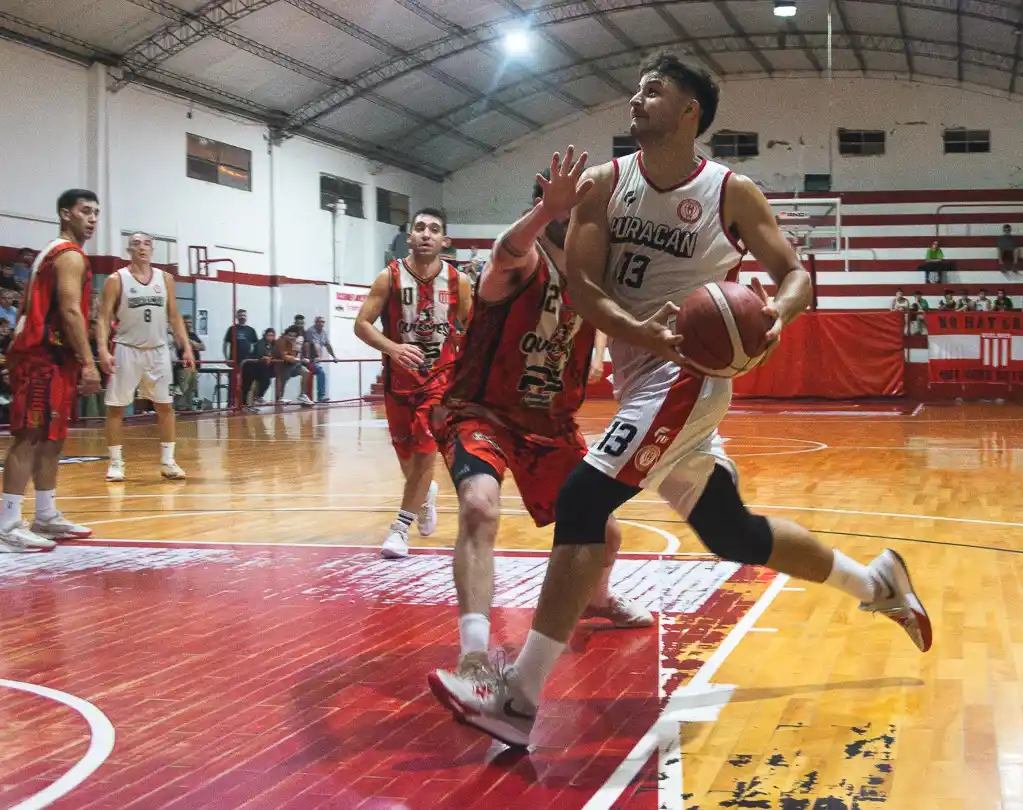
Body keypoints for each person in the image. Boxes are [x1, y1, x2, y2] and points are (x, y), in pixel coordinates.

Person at [451, 52, 931, 748]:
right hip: (639, 373)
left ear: (689, 112)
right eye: (637, 89)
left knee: (585, 503)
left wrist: (774, 320)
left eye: (655, 91)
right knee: (730, 532)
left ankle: (518, 698)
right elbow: (583, 285)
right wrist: (632, 328)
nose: (637, 101)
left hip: (690, 373)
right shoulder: (602, 184)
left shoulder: (732, 192)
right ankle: (878, 584)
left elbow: (794, 273)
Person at [428, 151, 656, 714]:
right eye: (563, 206)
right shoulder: (519, 263)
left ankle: (596, 601)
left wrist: (603, 346)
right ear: (546, 208)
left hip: (549, 426)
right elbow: (507, 250)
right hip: (483, 412)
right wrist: (541, 214)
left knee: (605, 536)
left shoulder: (592, 278)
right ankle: (475, 657)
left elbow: (605, 319)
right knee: (480, 505)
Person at [354, 208, 472, 559]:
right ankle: (426, 495)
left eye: (434, 229)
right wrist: (392, 347)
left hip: (439, 381)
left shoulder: (458, 281)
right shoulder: (388, 277)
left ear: (444, 241)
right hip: (398, 385)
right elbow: (362, 324)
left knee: (424, 452)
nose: (426, 234)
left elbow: (476, 326)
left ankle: (399, 529)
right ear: (409, 236)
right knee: (409, 460)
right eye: (419, 228)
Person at [1, 190, 102, 552]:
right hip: (41, 356)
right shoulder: (68, 255)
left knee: (52, 437)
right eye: (85, 211)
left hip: (55, 359)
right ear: (65, 214)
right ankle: (7, 523)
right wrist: (89, 362)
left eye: (96, 213)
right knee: (29, 436)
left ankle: (45, 515)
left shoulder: (56, 253)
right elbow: (71, 311)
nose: (92, 218)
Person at [95, 232, 196, 481]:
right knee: (117, 407)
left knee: (165, 406)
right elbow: (104, 317)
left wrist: (187, 346)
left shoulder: (166, 278)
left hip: (159, 350)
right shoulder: (116, 279)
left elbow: (174, 315)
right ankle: (116, 463)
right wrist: (102, 349)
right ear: (128, 249)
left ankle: (168, 461)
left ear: (153, 250)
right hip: (126, 349)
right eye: (137, 244)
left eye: (148, 244)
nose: (143, 248)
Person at [304, 316, 335, 402]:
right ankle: (317, 396)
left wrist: (334, 356)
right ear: (315, 322)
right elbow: (315, 344)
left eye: (323, 322)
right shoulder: (311, 331)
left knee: (320, 373)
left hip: (315, 360)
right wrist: (318, 356)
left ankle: (318, 396)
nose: (321, 323)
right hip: (308, 359)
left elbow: (328, 345)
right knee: (320, 373)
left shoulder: (324, 333)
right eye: (319, 321)